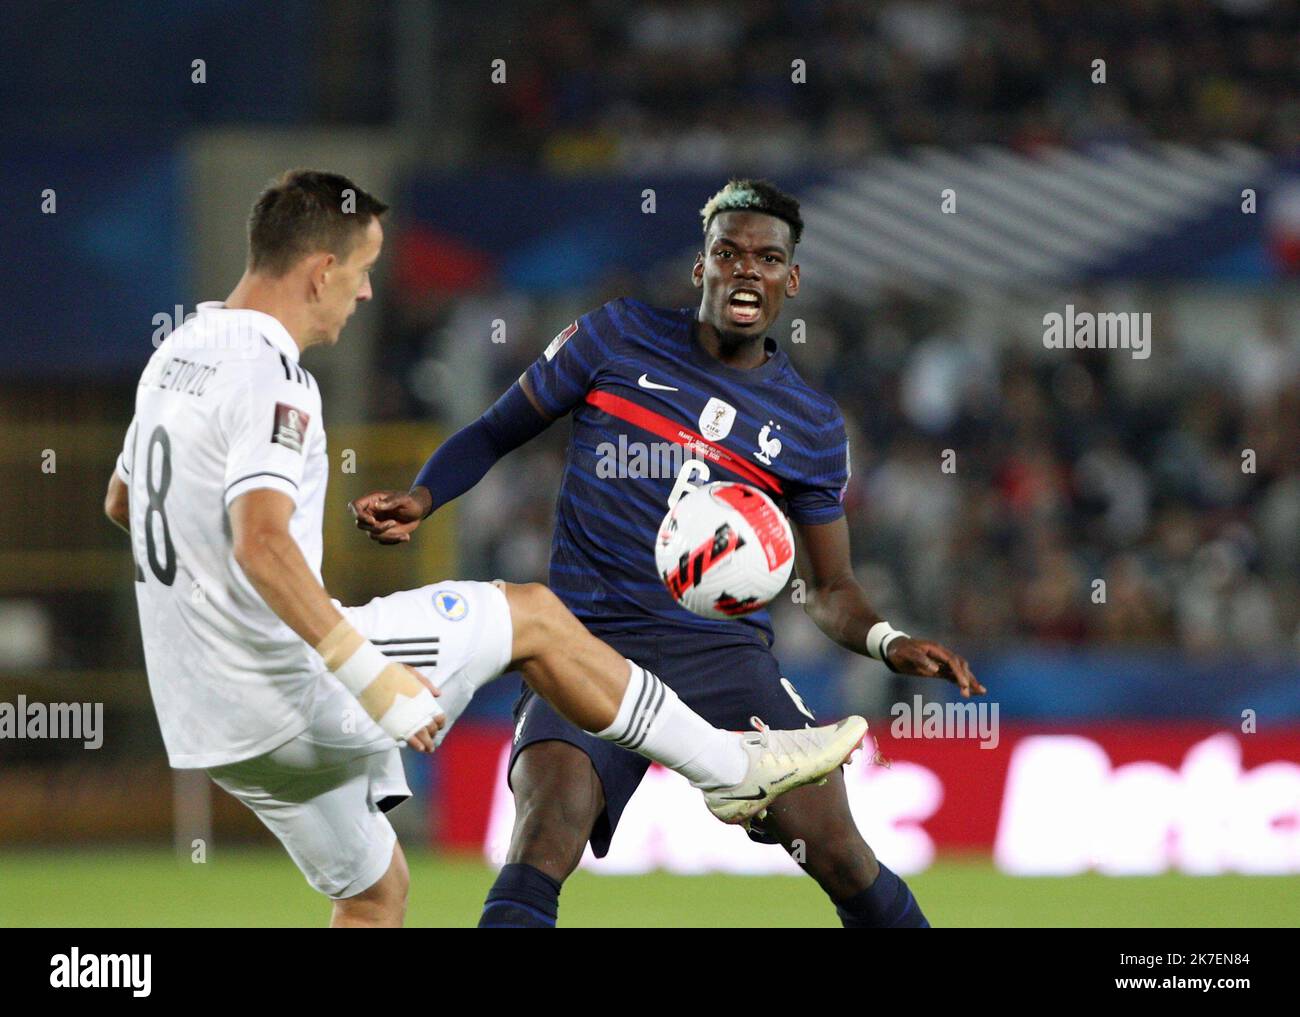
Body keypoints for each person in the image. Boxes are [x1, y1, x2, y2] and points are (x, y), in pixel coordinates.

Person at [104, 170, 869, 928]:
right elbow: (262, 541)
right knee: (532, 615)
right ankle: (732, 769)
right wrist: (369, 675)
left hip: (211, 721)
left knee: (375, 896)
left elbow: (125, 501)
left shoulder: (181, 351)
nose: (368, 293)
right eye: (365, 271)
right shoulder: (276, 376)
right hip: (294, 681)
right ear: (321, 271)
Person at [353, 178, 985, 928]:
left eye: (767, 257)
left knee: (841, 853)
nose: (746, 268)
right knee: (544, 829)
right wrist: (423, 498)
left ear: (791, 278)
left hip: (723, 658)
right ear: (703, 267)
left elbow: (831, 587)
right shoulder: (616, 336)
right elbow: (495, 430)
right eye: (729, 251)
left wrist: (888, 639)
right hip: (584, 643)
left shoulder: (811, 423)